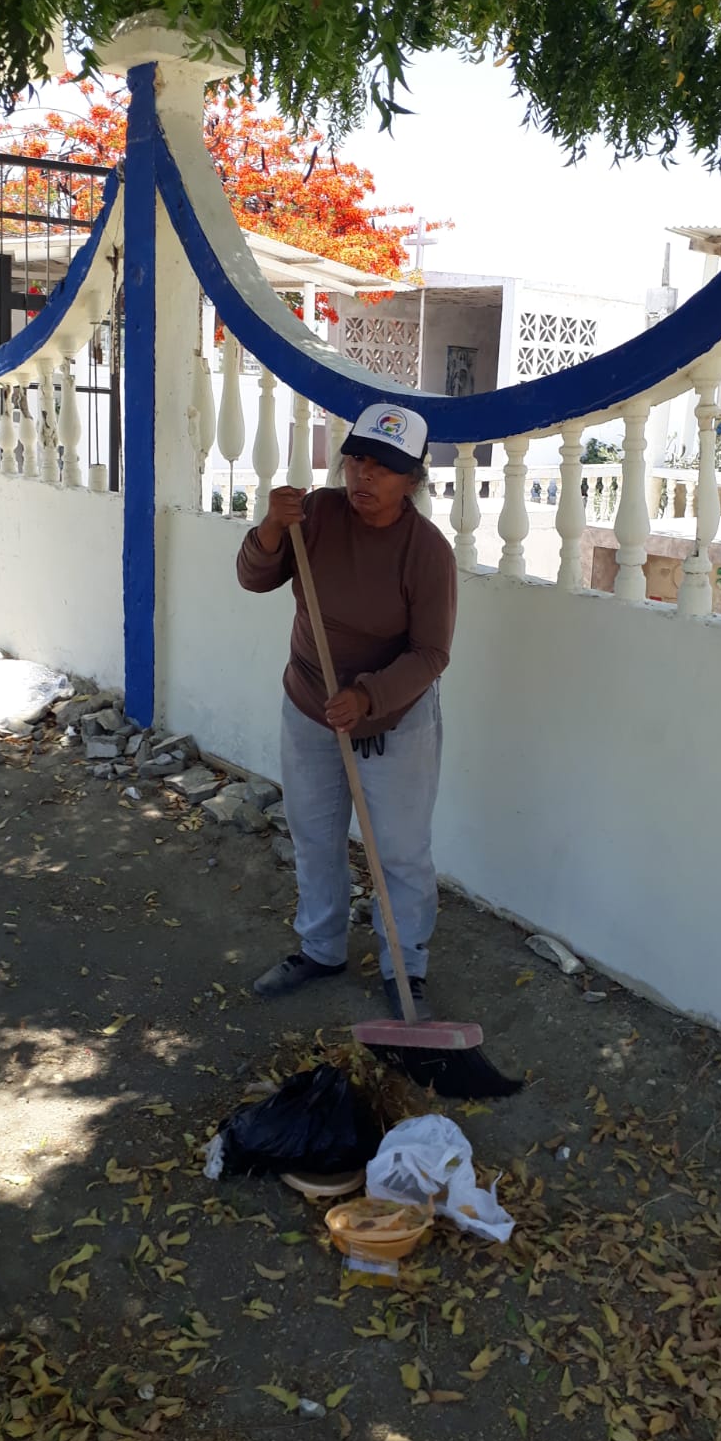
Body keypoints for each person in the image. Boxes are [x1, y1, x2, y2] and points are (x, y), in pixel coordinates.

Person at [236, 401, 457, 1020]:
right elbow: (253, 577)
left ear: (412, 480)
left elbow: (431, 653)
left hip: (394, 717)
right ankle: (321, 948)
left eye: (383, 467)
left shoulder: (427, 551)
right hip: (311, 702)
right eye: (356, 460)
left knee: (400, 851)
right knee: (313, 834)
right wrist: (271, 528)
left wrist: (367, 697)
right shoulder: (315, 517)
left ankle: (405, 967)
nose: (364, 475)